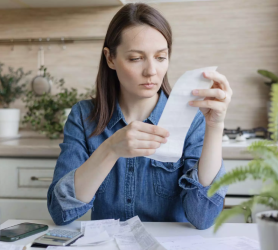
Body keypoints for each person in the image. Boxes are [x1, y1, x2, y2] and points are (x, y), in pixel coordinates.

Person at [47, 3, 232, 230]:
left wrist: (215, 126)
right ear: (111, 58)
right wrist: (111, 148)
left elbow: (203, 218)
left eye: (161, 57)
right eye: (136, 58)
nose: (151, 71)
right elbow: (60, 212)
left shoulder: (192, 119)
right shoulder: (84, 116)